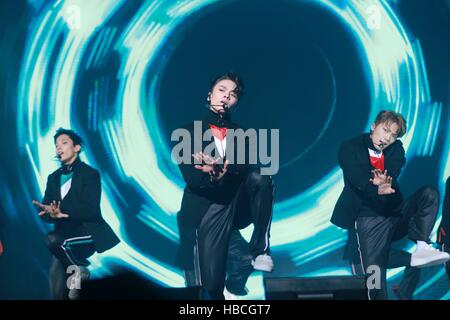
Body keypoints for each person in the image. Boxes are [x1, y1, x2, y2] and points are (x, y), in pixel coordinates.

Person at [174, 73, 275, 299]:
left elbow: (247, 166)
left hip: (234, 206)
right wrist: (212, 177)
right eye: (222, 90)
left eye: (233, 94)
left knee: (261, 176)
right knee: (211, 288)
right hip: (205, 209)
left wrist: (223, 171)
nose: (227, 96)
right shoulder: (188, 131)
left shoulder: (243, 135)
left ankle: (261, 251)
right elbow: (192, 179)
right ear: (209, 95)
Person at [331, 110, 450, 299]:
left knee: (428, 194)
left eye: (393, 135)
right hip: (368, 218)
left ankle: (421, 243)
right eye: (385, 130)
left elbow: (394, 169)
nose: (387, 138)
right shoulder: (351, 147)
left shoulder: (396, 148)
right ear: (373, 126)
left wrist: (386, 183)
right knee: (375, 280)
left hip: (394, 213)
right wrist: (374, 187)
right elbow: (355, 176)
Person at [32, 128, 120, 300]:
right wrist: (50, 213)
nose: (59, 148)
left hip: (87, 233)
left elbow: (91, 209)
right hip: (63, 238)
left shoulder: (90, 174)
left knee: (53, 240)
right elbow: (49, 209)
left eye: (64, 143)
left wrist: (64, 212)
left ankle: (80, 268)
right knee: (59, 290)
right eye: (56, 145)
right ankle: (77, 272)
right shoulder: (53, 178)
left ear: (77, 147)